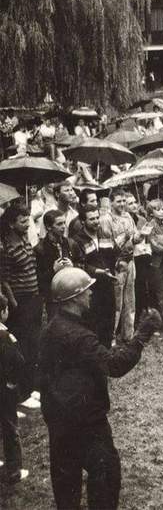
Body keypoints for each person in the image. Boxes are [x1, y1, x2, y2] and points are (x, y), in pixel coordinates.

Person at [39, 267, 161, 509]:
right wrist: (142, 334)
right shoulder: (79, 337)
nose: (91, 294)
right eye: (87, 290)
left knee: (66, 480)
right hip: (86, 420)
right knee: (106, 472)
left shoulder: (51, 329)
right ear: (74, 298)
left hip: (58, 418)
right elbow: (114, 365)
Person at [0, 204, 42, 411]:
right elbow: (5, 280)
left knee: (34, 344)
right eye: (22, 220)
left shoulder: (26, 241)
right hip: (20, 302)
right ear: (11, 224)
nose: (27, 223)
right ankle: (23, 393)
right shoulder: (7, 247)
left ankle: (32, 387)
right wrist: (14, 304)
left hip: (33, 298)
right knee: (23, 346)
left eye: (28, 219)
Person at [72, 206, 117, 348]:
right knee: (94, 322)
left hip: (108, 285)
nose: (96, 221)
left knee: (109, 320)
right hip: (91, 289)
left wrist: (120, 263)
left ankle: (107, 352)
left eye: (97, 217)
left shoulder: (104, 234)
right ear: (83, 221)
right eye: (92, 219)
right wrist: (98, 271)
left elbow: (116, 253)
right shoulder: (77, 240)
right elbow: (79, 265)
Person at [101, 188, 138, 341]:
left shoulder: (128, 215)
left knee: (130, 300)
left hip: (130, 261)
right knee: (117, 303)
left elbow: (134, 237)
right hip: (116, 264)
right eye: (119, 201)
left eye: (124, 201)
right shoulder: (106, 220)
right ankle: (112, 336)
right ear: (111, 202)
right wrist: (126, 237)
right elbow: (107, 247)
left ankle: (128, 335)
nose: (122, 204)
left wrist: (139, 236)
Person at [0, 312, 28, 484]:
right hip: (4, 391)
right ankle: (14, 470)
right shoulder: (5, 336)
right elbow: (19, 361)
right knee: (10, 427)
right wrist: (12, 382)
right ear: (3, 312)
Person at [34, 210, 77, 311]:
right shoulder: (40, 249)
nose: (63, 227)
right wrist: (53, 270)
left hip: (70, 293)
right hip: (52, 298)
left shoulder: (69, 243)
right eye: (59, 224)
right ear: (49, 227)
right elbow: (38, 279)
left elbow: (82, 264)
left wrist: (73, 266)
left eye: (64, 223)